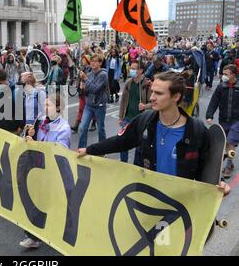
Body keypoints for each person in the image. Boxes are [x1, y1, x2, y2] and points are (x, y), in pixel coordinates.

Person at [77, 71, 231, 197]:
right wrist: (90, 150)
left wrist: (220, 183)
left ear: (176, 97)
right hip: (145, 201)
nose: (151, 97)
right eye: (152, 92)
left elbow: (206, 168)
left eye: (158, 93)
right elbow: (120, 141)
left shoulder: (197, 130)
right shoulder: (145, 120)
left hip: (179, 207)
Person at [20, 93, 71, 249]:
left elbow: (59, 152)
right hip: (39, 171)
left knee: (58, 206)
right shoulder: (40, 121)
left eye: (48, 105)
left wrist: (36, 145)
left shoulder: (64, 128)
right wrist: (28, 136)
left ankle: (66, 236)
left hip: (55, 173)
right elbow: (27, 140)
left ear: (57, 107)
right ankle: (33, 236)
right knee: (36, 202)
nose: (44, 108)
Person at [206, 65, 239, 179]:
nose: (223, 76)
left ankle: (228, 166)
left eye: (226, 74)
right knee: (225, 143)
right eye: (223, 73)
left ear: (233, 75)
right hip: (223, 120)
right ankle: (230, 160)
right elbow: (214, 101)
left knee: (231, 141)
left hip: (236, 121)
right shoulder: (221, 87)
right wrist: (209, 115)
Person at [118, 61, 151, 164]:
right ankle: (123, 164)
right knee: (123, 143)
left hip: (140, 120)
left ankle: (137, 165)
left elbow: (154, 103)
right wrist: (120, 116)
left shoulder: (147, 84)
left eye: (133, 68)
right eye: (130, 68)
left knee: (139, 146)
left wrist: (145, 106)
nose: (131, 70)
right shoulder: (128, 83)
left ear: (141, 70)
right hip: (127, 118)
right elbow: (123, 100)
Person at [78, 54, 109, 149]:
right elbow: (88, 91)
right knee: (83, 128)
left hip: (99, 105)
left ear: (100, 63)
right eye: (91, 61)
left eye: (95, 61)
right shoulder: (90, 74)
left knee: (100, 129)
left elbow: (95, 89)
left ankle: (102, 149)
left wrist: (86, 80)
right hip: (89, 105)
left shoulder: (103, 75)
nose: (93, 63)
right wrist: (83, 88)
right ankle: (82, 149)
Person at [0, 69, 25, 134]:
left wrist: (20, 127)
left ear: (6, 80)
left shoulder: (15, 90)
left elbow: (20, 110)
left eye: (1, 83)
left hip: (12, 129)